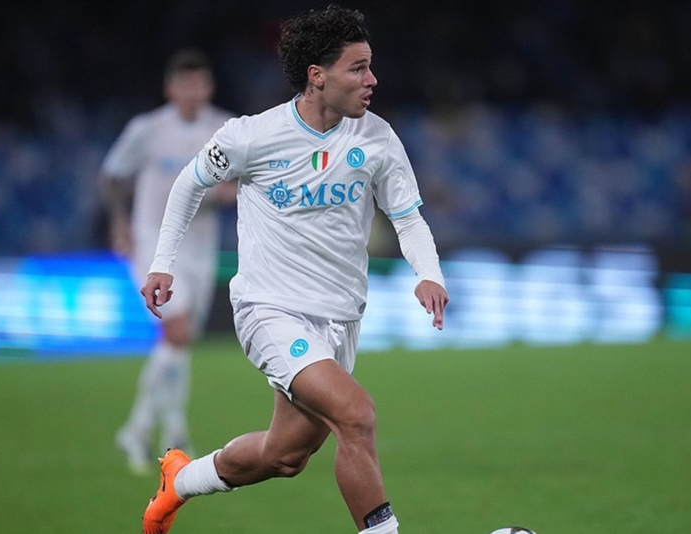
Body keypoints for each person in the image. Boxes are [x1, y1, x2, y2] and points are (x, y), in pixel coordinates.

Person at [140, 6, 449, 534]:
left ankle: (181, 480)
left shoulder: (377, 138)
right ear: (317, 75)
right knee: (356, 414)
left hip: (340, 318)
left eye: (370, 66)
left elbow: (407, 217)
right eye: (357, 68)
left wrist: (429, 273)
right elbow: (189, 183)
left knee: (285, 455)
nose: (372, 79)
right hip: (270, 310)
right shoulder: (252, 136)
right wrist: (162, 263)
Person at [100, 49, 234, 474]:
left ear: (209, 87)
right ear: (170, 88)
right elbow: (113, 174)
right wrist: (120, 223)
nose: (192, 92)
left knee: (179, 342)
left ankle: (141, 430)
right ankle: (170, 433)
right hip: (153, 242)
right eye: (184, 84)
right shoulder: (148, 130)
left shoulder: (225, 129)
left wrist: (229, 191)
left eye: (199, 83)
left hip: (201, 246)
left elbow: (241, 180)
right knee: (176, 331)